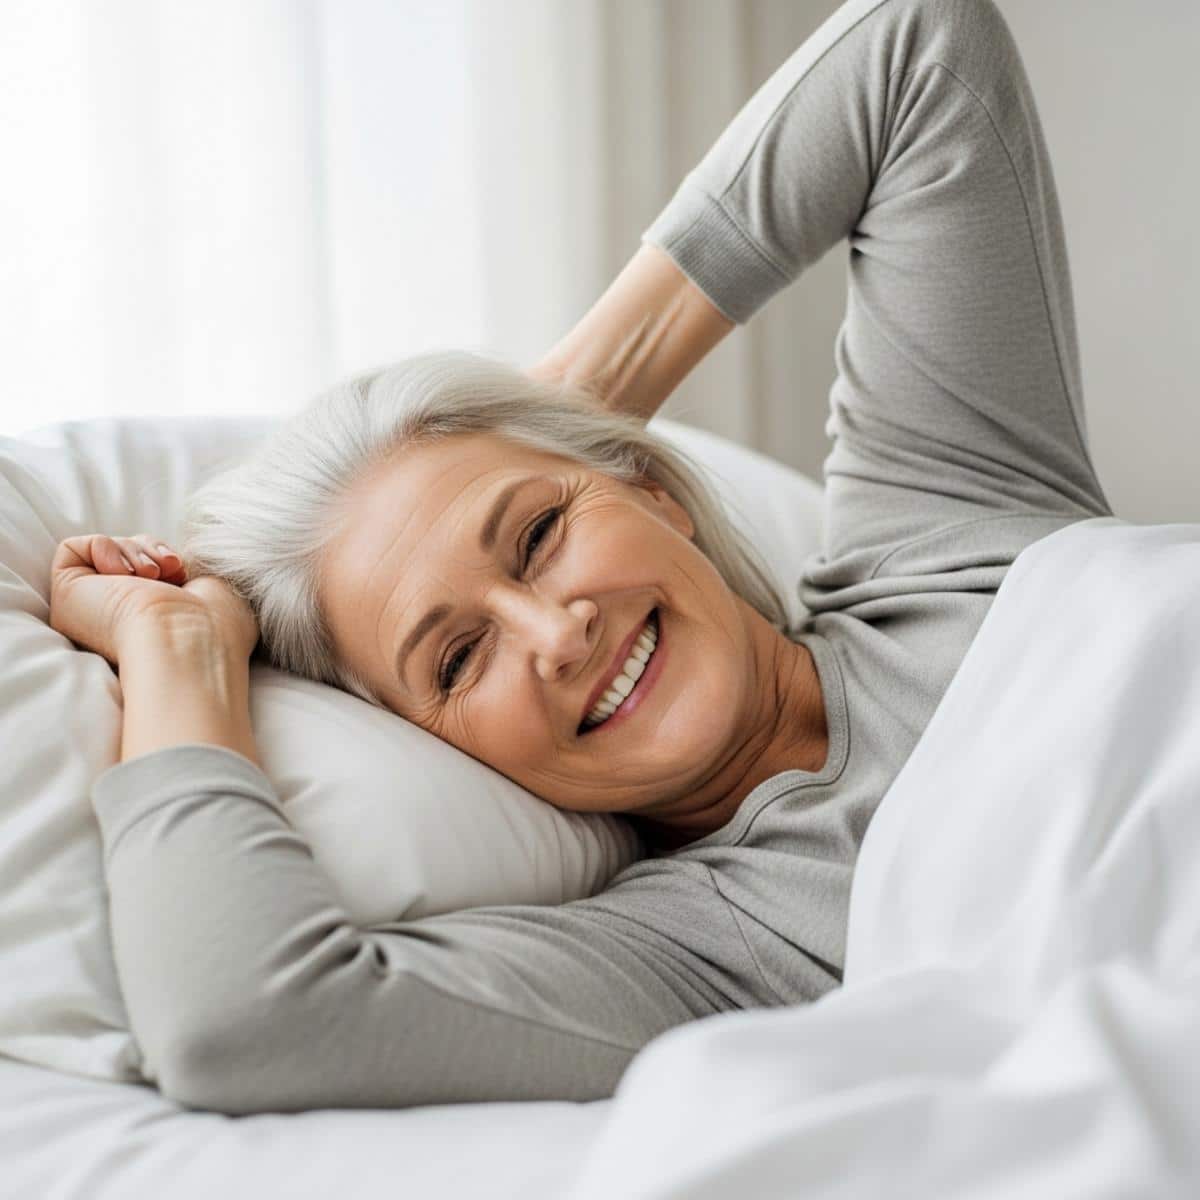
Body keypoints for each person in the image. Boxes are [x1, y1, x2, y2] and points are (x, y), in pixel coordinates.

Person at [49, 0, 1112, 1114]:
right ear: (442, 752)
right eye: (457, 660)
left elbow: (918, 53)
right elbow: (245, 1025)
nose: (557, 634)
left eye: (540, 535)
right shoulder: (702, 955)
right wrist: (180, 654)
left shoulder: (949, 538)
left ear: (656, 491)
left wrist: (573, 414)